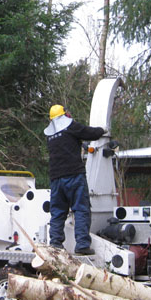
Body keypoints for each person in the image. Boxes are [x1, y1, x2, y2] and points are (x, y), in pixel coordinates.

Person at [44, 104, 105, 255]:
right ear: (64, 114)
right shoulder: (71, 126)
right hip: (74, 176)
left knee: (58, 212)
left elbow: (66, 143)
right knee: (81, 209)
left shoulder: (50, 135)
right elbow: (90, 133)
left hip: (56, 178)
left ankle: (56, 244)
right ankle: (82, 245)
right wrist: (103, 130)